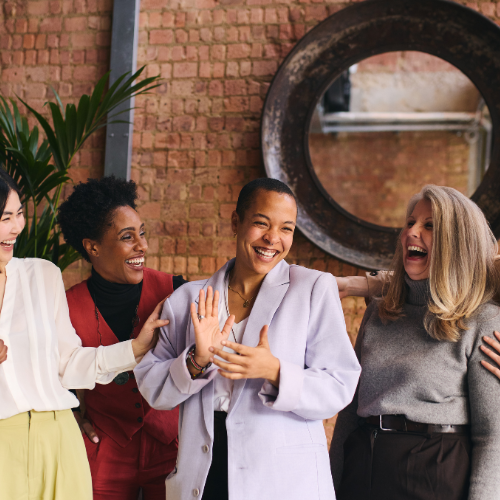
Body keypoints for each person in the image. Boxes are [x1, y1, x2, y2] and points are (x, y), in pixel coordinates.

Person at [134, 178, 361, 500]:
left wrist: (275, 371)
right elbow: (154, 389)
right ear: (235, 222)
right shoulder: (187, 299)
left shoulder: (312, 289)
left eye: (286, 229)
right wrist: (196, 361)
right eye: (261, 223)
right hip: (204, 470)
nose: (273, 239)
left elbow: (339, 386)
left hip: (283, 479)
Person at [0, 171, 166, 500]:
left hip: (60, 439)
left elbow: (69, 363)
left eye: (19, 214)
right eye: (5, 218)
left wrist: (135, 348)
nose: (17, 227)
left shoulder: (41, 274)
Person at [330, 184, 500, 500]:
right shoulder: (379, 312)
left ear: (457, 243)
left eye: (429, 226)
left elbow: (493, 437)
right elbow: (349, 415)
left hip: (436, 478)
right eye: (410, 222)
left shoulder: (484, 321)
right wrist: (327, 487)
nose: (412, 232)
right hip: (362, 470)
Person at [58, 176, 184, 500]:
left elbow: (235, 288)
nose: (142, 246)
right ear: (93, 247)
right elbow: (52, 376)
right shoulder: (66, 305)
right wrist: (72, 415)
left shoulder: (174, 289)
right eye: (128, 237)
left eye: (141, 233)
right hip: (105, 447)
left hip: (170, 445)